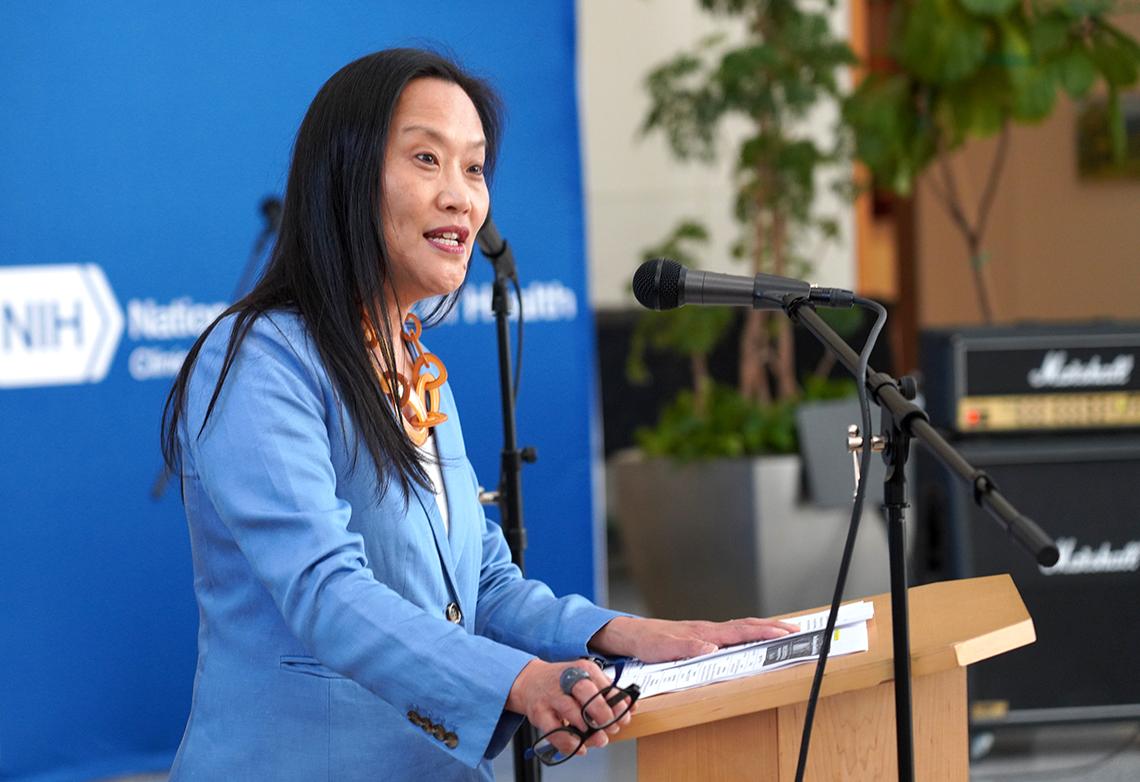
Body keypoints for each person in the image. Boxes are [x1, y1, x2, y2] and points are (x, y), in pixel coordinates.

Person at [161, 48, 795, 781]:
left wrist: (633, 635)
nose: (462, 196)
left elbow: (482, 585)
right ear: (345, 174)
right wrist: (522, 682)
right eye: (426, 159)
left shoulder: (415, 365)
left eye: (474, 167)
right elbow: (326, 592)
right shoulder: (260, 360)